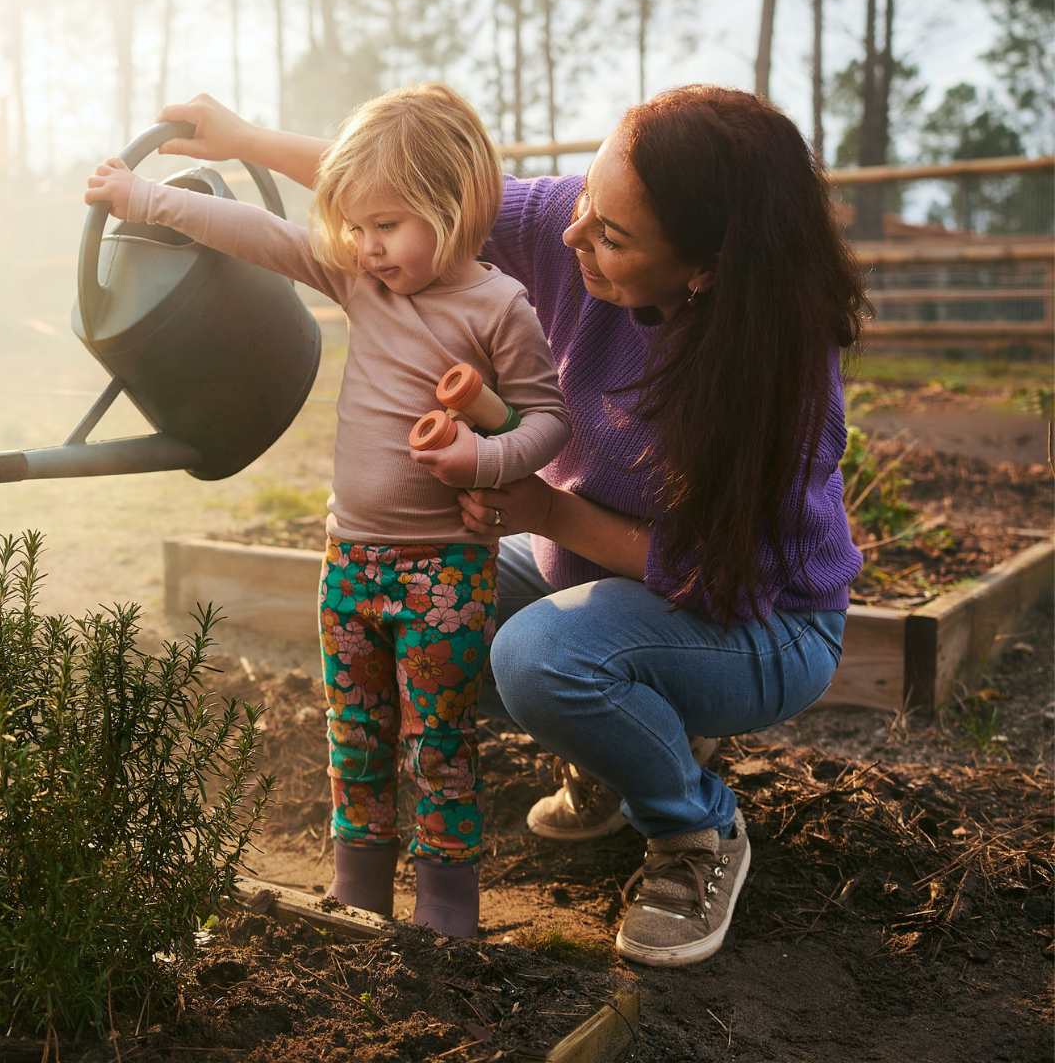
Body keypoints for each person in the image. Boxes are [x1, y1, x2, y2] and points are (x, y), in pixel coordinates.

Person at [146, 85, 866, 968]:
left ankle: (695, 831)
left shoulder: (778, 383)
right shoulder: (578, 228)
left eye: (611, 234)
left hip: (760, 621)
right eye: (585, 200)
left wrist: (548, 510)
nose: (572, 235)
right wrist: (243, 137)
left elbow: (723, 575)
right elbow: (412, 190)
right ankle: (619, 740)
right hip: (597, 570)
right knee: (433, 605)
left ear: (705, 270)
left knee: (540, 660)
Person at [85, 83, 572, 938]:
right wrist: (142, 198)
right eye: (355, 225)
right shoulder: (359, 279)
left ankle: (446, 910)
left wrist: (482, 459)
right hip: (348, 563)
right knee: (354, 731)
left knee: (437, 740)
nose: (366, 244)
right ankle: (359, 892)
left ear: (453, 207)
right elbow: (257, 233)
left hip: (445, 573)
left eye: (386, 224)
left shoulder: (499, 308)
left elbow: (548, 420)